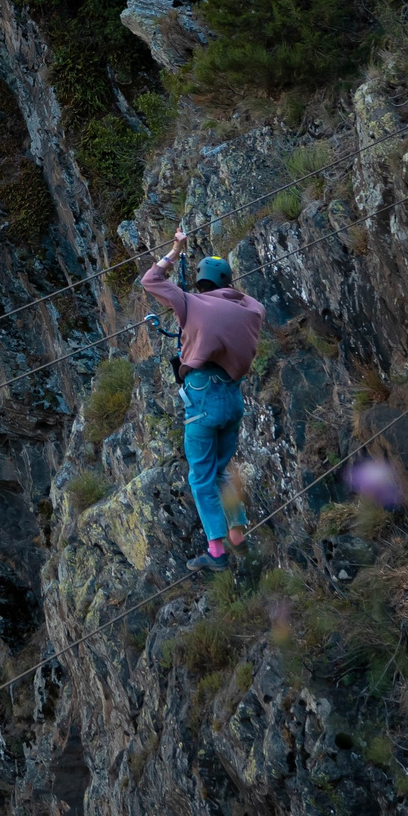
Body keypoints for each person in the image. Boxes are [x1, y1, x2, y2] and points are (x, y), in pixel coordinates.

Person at [140, 226, 267, 573]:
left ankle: (216, 551)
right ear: (227, 282)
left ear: (200, 283)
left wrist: (176, 250)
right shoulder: (252, 309)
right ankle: (238, 535)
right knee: (221, 469)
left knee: (201, 476)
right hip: (232, 396)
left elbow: (151, 280)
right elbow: (240, 304)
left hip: (201, 394)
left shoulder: (191, 302)